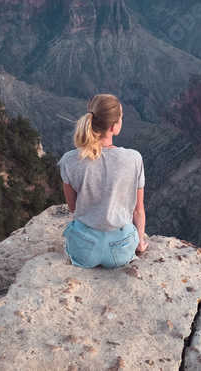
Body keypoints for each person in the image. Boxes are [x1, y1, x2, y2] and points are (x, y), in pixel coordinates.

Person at [58, 94, 147, 269]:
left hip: (83, 251)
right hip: (121, 249)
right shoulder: (134, 158)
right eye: (121, 118)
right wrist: (140, 243)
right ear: (114, 126)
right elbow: (139, 211)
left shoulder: (69, 161)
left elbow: (73, 210)